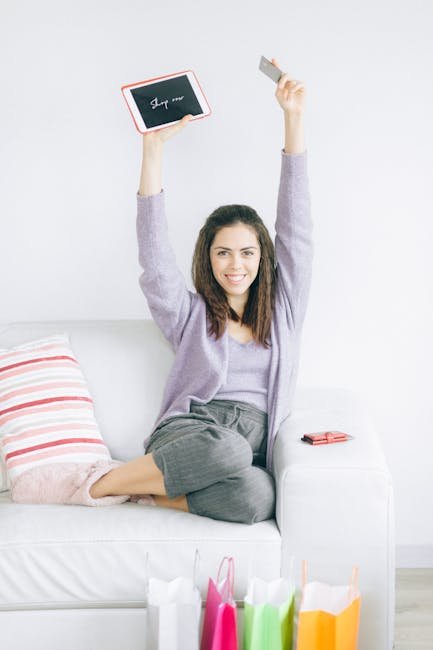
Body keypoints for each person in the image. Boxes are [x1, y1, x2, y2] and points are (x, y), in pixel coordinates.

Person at [89, 58, 313, 524]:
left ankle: (150, 494)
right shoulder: (189, 315)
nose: (236, 265)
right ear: (208, 260)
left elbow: (297, 229)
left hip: (242, 451)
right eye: (223, 253)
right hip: (193, 432)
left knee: (258, 497)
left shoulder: (283, 311)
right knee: (228, 448)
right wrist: (152, 151)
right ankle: (99, 484)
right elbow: (154, 261)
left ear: (263, 258)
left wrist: (293, 118)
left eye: (247, 252)